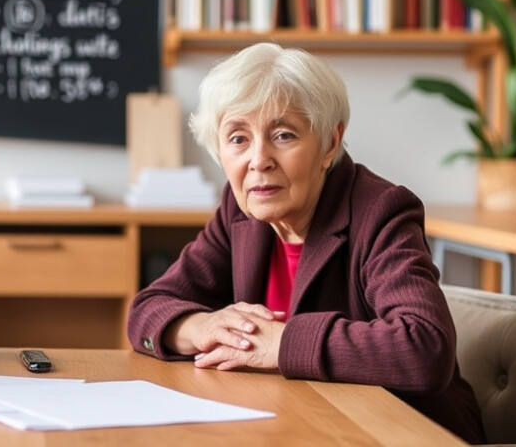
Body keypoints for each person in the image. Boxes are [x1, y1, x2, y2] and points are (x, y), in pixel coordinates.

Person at [126, 43, 486, 444]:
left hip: (398, 434)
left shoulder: (381, 211)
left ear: (330, 144)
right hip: (296, 426)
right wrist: (203, 327)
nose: (258, 160)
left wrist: (281, 344)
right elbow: (146, 309)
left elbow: (424, 348)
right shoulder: (241, 210)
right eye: (238, 138)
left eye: (283, 135)